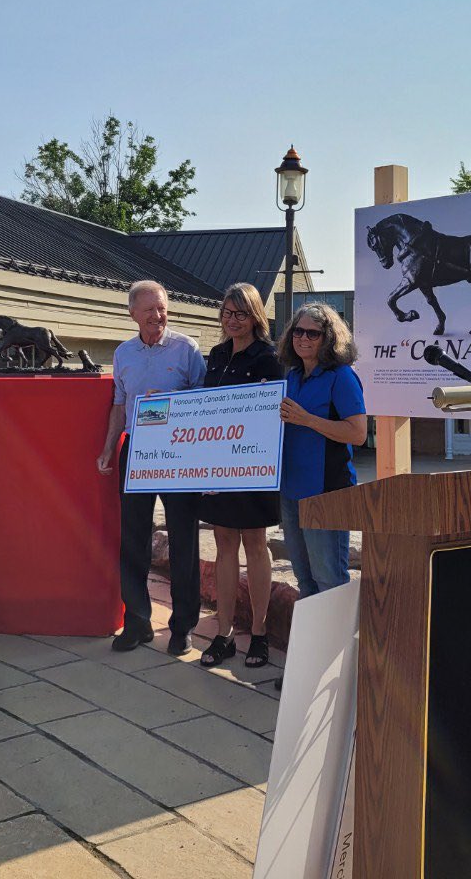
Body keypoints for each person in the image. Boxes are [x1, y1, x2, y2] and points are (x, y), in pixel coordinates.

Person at [97, 280, 206, 655]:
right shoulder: (123, 353)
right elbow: (119, 405)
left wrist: (174, 402)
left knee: (183, 539)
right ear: (133, 314)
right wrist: (109, 449)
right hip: (138, 450)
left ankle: (183, 627)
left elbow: (206, 400)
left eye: (162, 308)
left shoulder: (187, 348)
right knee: (133, 539)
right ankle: (137, 622)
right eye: (149, 310)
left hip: (179, 451)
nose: (158, 316)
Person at [199, 283, 283, 670]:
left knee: (255, 543)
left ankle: (260, 633)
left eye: (241, 313)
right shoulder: (216, 356)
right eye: (227, 313)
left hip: (252, 465)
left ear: (255, 316)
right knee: (224, 543)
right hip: (218, 465)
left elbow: (272, 412)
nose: (232, 320)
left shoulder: (269, 357)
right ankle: (225, 633)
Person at [277, 302, 368, 598]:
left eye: (312, 333)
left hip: (326, 493)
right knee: (305, 580)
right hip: (291, 492)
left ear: (328, 338)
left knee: (329, 582)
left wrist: (307, 419)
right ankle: (313, 632)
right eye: (298, 331)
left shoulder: (341, 376)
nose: (303, 338)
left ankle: (337, 633)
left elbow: (358, 433)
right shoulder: (292, 376)